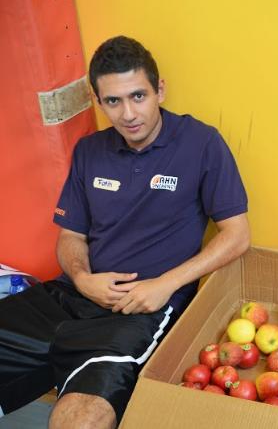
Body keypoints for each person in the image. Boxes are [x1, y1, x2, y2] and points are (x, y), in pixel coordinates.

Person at [0, 36, 250, 429]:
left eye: (138, 96)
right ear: (98, 101)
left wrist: (166, 284)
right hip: (69, 295)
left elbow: (237, 235)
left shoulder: (202, 143)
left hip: (138, 313)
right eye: (113, 101)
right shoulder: (89, 150)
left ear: (159, 90)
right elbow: (70, 237)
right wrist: (82, 278)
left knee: (81, 421)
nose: (128, 114)